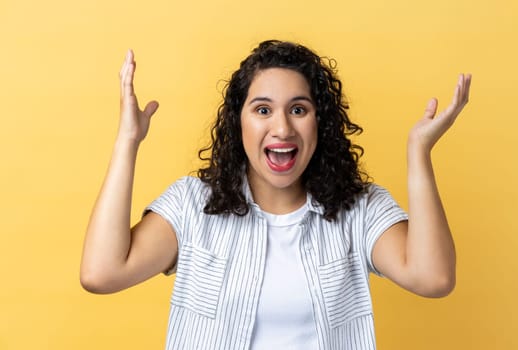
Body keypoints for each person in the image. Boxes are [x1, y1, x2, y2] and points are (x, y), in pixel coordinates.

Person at [80, 40, 471, 350]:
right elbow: (102, 273)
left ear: (321, 122)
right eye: (262, 110)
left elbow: (433, 278)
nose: (282, 128)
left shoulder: (359, 210)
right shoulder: (192, 206)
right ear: (239, 124)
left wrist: (419, 154)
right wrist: (127, 141)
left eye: (298, 109)